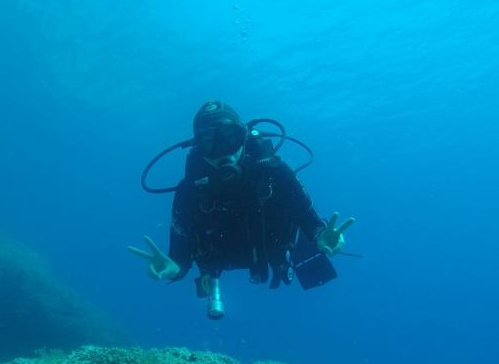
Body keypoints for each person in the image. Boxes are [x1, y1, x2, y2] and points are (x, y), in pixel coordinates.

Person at [128, 100, 355, 318]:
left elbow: (311, 222)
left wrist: (320, 236)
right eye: (210, 142)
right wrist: (173, 269)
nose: (223, 151)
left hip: (275, 248)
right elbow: (179, 258)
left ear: (244, 136)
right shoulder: (189, 192)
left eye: (231, 138)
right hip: (221, 258)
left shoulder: (275, 173)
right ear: (198, 146)